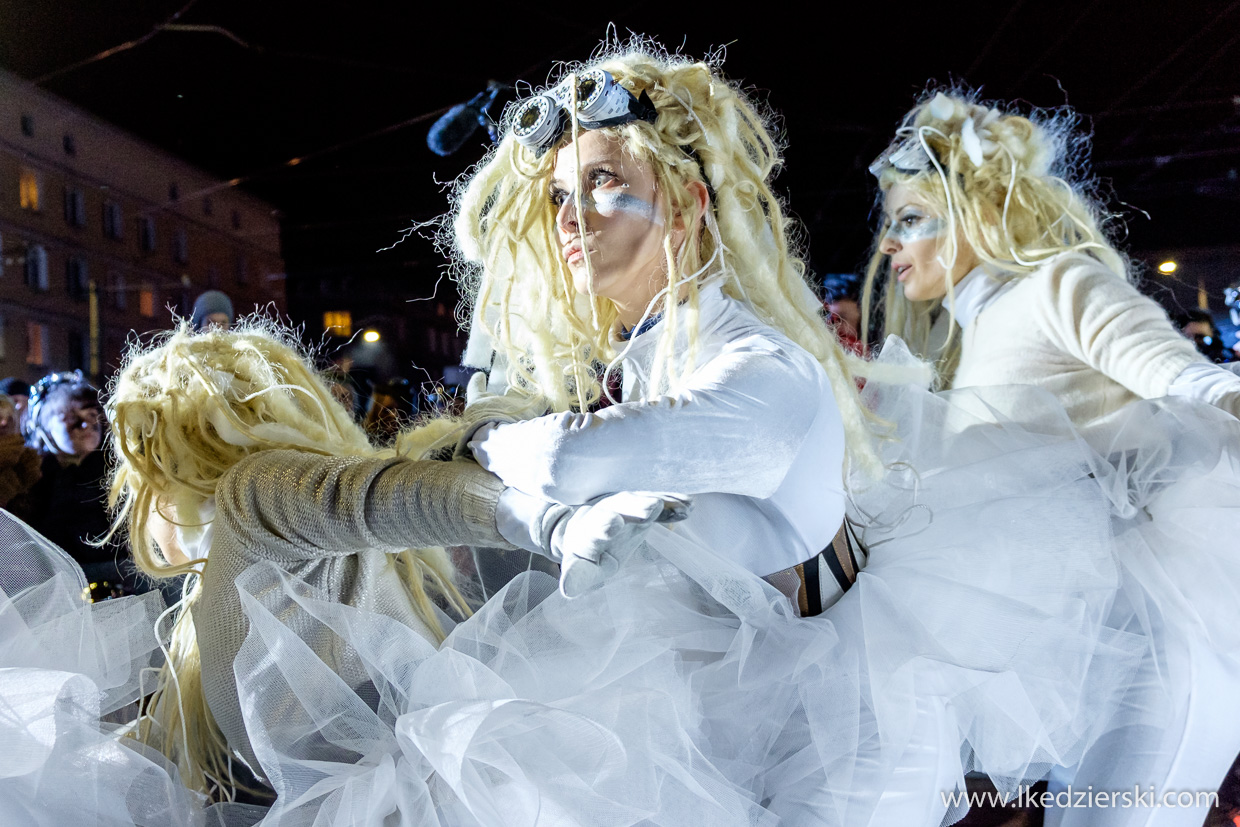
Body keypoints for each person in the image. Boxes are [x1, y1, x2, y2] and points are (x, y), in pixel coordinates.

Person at [864, 89, 1240, 827]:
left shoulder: (1058, 284)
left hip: (1156, 642)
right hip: (1073, 663)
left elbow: (1195, 384)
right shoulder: (967, 342)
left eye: (909, 219)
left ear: (974, 210)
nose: (888, 244)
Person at [103, 322, 660, 807]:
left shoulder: (252, 501)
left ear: (164, 469)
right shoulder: (217, 591)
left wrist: (550, 526)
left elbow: (384, 497)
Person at [23, 370, 128, 598]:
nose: (87, 425)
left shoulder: (120, 471)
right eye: (72, 417)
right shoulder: (29, 478)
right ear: (44, 425)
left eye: (92, 415)